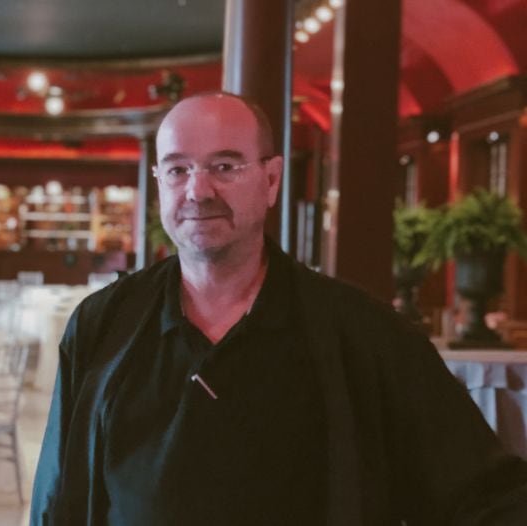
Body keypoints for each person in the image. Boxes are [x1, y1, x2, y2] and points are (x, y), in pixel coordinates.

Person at [29, 92, 527, 525]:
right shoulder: (103, 326)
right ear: (160, 181)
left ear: (271, 180)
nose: (198, 190)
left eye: (225, 166)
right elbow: (57, 502)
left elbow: (481, 496)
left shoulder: (363, 334)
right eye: (178, 169)